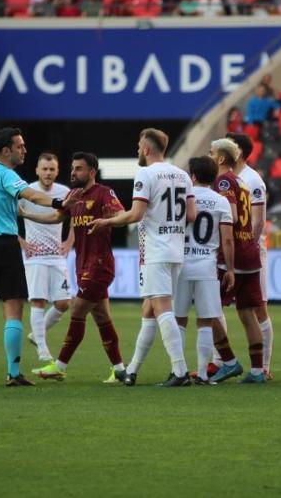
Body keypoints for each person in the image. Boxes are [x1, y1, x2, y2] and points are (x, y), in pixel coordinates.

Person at [89, 129, 197, 387]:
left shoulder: (146, 174)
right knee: (149, 309)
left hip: (156, 251)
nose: (138, 150)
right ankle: (132, 370)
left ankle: (180, 371)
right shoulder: (182, 174)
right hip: (175, 250)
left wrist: (107, 222)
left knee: (161, 309)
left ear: (147, 149)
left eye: (139, 146)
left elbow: (136, 214)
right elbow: (191, 215)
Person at [20, 152, 128, 383]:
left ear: (91, 172)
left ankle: (58, 366)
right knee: (101, 317)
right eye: (72, 168)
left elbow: (123, 215)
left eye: (78, 168)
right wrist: (27, 214)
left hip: (99, 265)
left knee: (77, 310)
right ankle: (119, 370)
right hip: (83, 265)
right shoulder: (73, 195)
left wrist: (107, 222)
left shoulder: (103, 193)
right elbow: (56, 218)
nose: (73, 172)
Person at [0, 127, 60, 387]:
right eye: (20, 146)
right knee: (14, 310)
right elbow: (30, 194)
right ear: (6, 151)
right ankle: (13, 373)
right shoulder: (8, 175)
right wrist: (57, 203)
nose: (24, 150)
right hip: (4, 246)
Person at [208, 137, 266, 384]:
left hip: (231, 255)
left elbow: (229, 216)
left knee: (208, 309)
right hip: (250, 252)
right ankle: (257, 371)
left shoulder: (222, 180)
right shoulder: (242, 182)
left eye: (211, 153)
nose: (209, 157)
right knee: (247, 313)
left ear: (221, 158)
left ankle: (228, 361)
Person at [173, 156, 236, 384]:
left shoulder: (182, 198)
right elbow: (228, 240)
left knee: (179, 319)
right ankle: (201, 374)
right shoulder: (221, 201)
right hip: (207, 266)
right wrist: (229, 269)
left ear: (193, 176)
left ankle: (179, 371)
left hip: (181, 264)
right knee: (206, 321)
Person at [18, 153, 74, 372]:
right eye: (45, 169)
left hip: (57, 255)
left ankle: (36, 334)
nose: (48, 173)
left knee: (63, 303)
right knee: (38, 301)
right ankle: (43, 349)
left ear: (57, 171)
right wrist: (21, 241)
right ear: (37, 170)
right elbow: (5, 215)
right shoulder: (26, 192)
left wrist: (70, 239)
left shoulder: (64, 192)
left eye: (52, 169)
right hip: (35, 256)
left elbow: (76, 218)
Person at [227, 132, 274, 377]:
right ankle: (219, 361)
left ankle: (264, 366)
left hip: (250, 250)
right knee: (217, 306)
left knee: (258, 307)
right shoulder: (225, 178)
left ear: (239, 153)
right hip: (229, 251)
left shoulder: (252, 179)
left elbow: (258, 223)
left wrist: (248, 247)